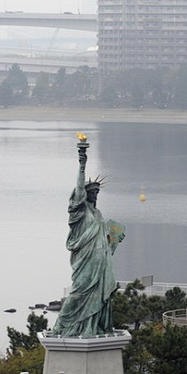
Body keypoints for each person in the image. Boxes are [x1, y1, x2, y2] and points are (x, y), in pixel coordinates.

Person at [52, 138, 124, 337]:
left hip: (100, 260)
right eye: (92, 192)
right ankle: (63, 326)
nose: (95, 194)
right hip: (86, 258)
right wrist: (82, 162)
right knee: (79, 291)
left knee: (98, 294)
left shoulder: (98, 214)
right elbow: (78, 188)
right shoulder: (79, 212)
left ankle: (92, 326)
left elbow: (104, 239)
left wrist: (114, 240)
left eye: (97, 192)